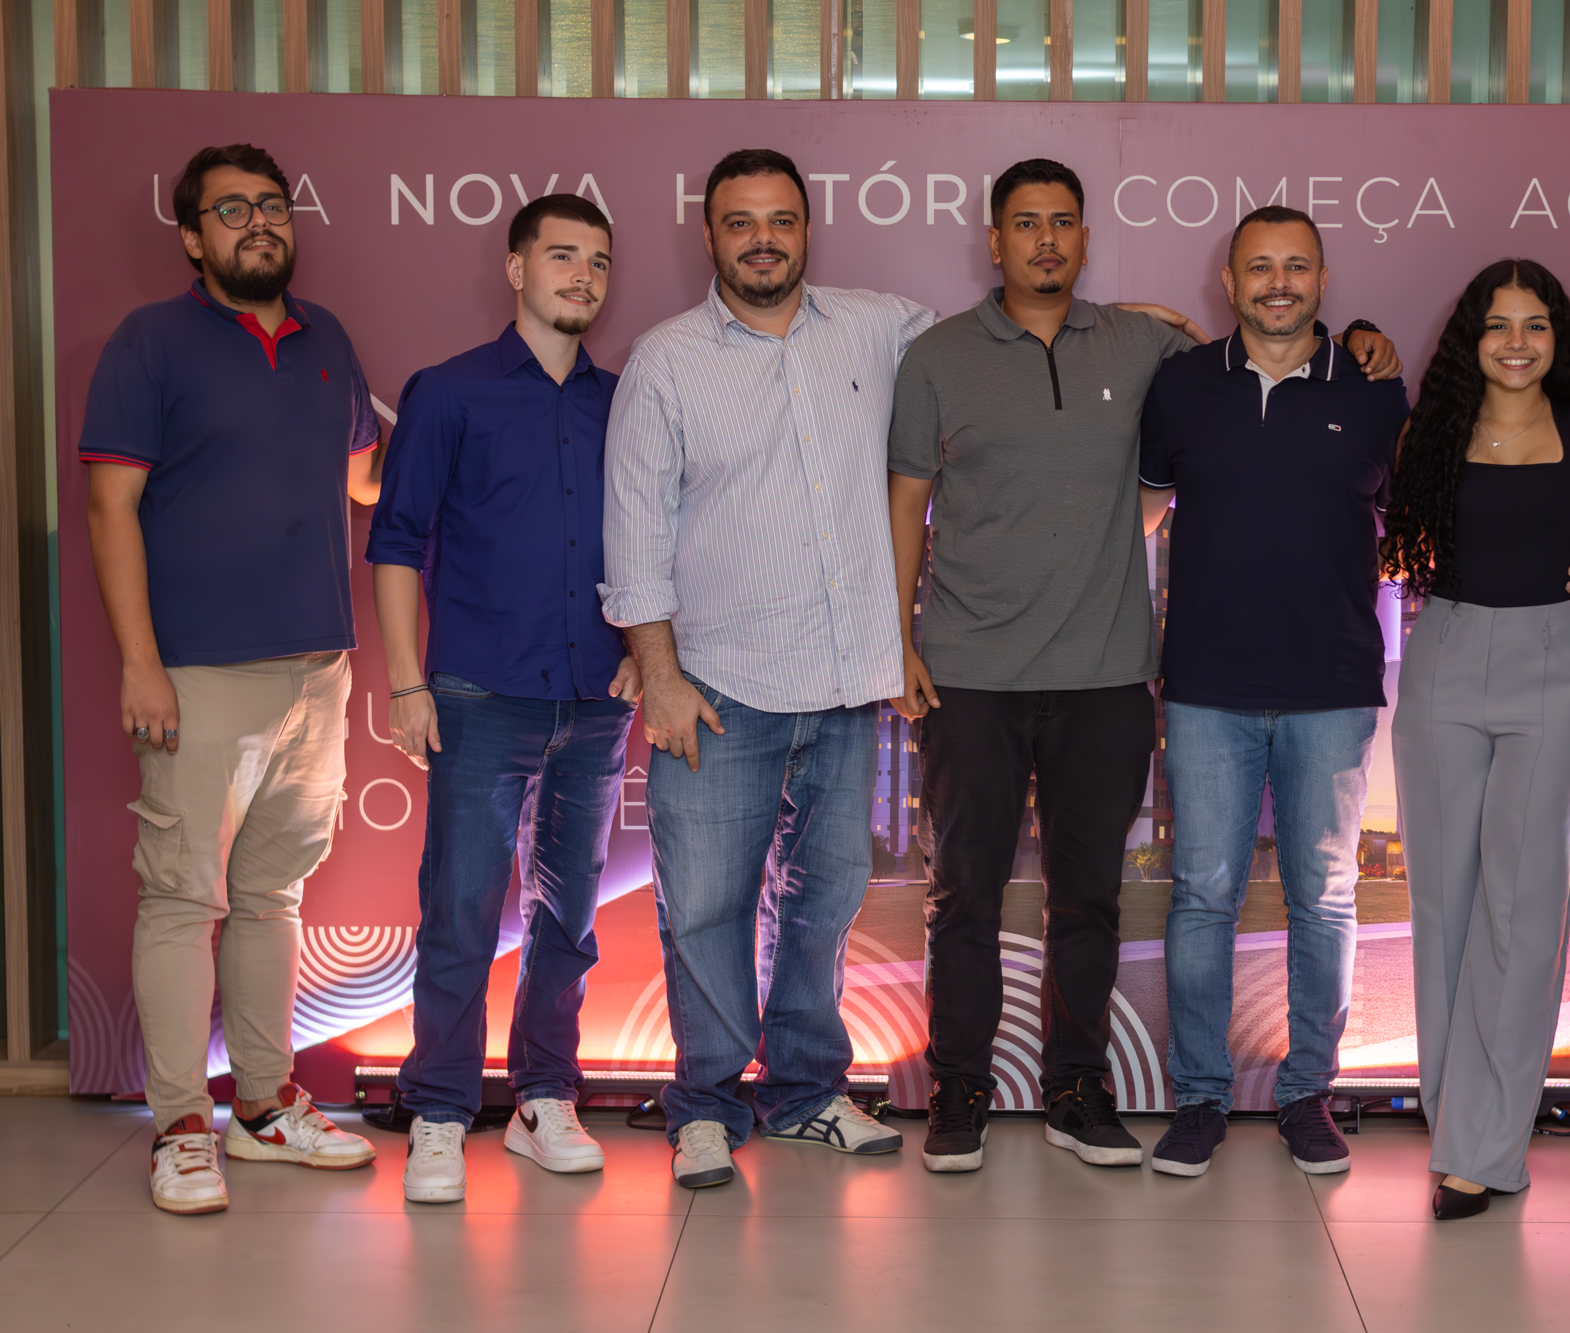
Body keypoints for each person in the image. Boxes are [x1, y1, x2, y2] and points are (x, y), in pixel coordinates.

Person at [889, 171, 1401, 1175]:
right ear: (993, 240)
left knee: (1105, 899)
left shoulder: (1174, 355)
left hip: (1140, 676)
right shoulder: (957, 358)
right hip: (1006, 673)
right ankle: (973, 1091)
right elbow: (911, 497)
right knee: (974, 895)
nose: (1045, 240)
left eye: (1062, 224)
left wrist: (1366, 337)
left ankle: (1095, 1090)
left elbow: (1251, 360)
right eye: (1025, 224)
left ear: (1085, 238)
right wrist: (893, 637)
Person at [601, 149, 923, 1189]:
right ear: (709, 235)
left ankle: (804, 1093)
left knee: (822, 903)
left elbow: (994, 343)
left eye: (780, 219)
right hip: (716, 686)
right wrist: (659, 674)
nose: (763, 240)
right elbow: (635, 530)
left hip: (844, 684)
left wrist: (1130, 325)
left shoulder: (876, 327)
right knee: (704, 907)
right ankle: (703, 1104)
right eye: (740, 222)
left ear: (806, 227)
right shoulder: (666, 359)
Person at [80, 142, 382, 1215]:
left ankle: (261, 1108)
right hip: (197, 674)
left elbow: (363, 480)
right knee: (180, 898)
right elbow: (110, 507)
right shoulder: (150, 342)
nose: (258, 223)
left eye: (272, 205)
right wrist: (141, 665)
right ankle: (177, 1126)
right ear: (192, 236)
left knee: (271, 899)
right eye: (232, 209)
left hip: (318, 668)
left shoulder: (326, 338)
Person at [1135, 205, 1424, 1180]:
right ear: (1228, 281)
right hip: (1205, 686)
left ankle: (1308, 1094)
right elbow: (1138, 514)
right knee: (1201, 896)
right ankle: (1199, 1099)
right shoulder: (1181, 386)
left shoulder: (1375, 392)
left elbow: (1427, 520)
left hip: (1331, 687)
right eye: (1258, 267)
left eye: (1296, 266)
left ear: (1322, 279)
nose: (1277, 283)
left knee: (1325, 898)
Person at [368, 195, 638, 1204]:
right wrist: (407, 681)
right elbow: (396, 541)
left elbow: (660, 540)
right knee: (461, 911)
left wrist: (645, 654)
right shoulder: (449, 392)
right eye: (562, 256)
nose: (583, 276)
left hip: (595, 700)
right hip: (478, 694)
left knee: (567, 917)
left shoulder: (626, 402)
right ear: (517, 268)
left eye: (598, 261)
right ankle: (440, 1108)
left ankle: (543, 1098)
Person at [1380, 259, 1570, 1219]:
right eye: (1497, 325)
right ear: (1469, 339)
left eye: (1536, 325)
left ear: (1559, 338)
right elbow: (1400, 536)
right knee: (1442, 904)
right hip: (1443, 653)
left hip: (1549, 666)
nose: (1517, 344)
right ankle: (1459, 1123)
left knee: (1523, 909)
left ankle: (1484, 1145)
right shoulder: (1428, 432)